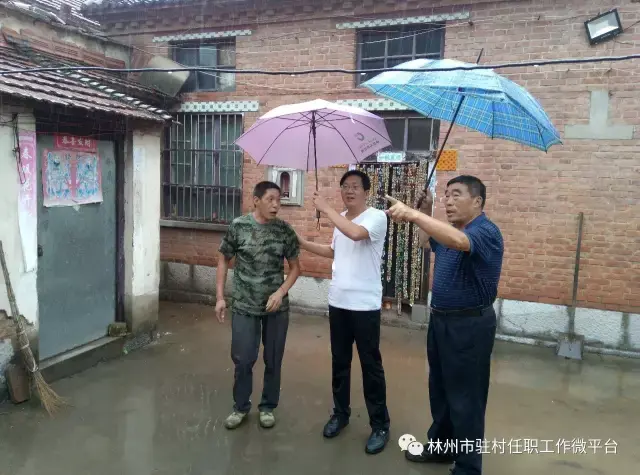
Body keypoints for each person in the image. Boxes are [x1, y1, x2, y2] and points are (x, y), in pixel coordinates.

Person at [385, 175, 503, 475]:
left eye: (456, 195)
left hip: (469, 326)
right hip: (442, 322)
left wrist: (413, 213)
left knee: (466, 399)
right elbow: (427, 241)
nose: (448, 200)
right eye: (446, 195)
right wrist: (425, 211)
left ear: (477, 201)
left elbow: (461, 243)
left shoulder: (485, 232)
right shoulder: (451, 230)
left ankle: (467, 467)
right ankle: (441, 448)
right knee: (441, 390)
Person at [297, 169, 391, 455]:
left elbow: (355, 234)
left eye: (354, 187)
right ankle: (341, 413)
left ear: (366, 191)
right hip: (338, 303)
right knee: (340, 362)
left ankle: (380, 424)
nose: (349, 191)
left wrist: (325, 209)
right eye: (345, 187)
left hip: (364, 307)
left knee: (370, 366)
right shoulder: (341, 219)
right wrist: (301, 242)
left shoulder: (376, 217)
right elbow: (333, 251)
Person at [216, 181, 301, 430]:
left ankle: (267, 407)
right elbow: (223, 260)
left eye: (279, 200)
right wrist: (220, 297)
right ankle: (240, 406)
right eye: (271, 199)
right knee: (243, 359)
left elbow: (296, 268)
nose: (276, 205)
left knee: (273, 359)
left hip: (276, 308)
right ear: (256, 200)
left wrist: (281, 292)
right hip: (244, 305)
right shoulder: (239, 226)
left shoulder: (285, 230)